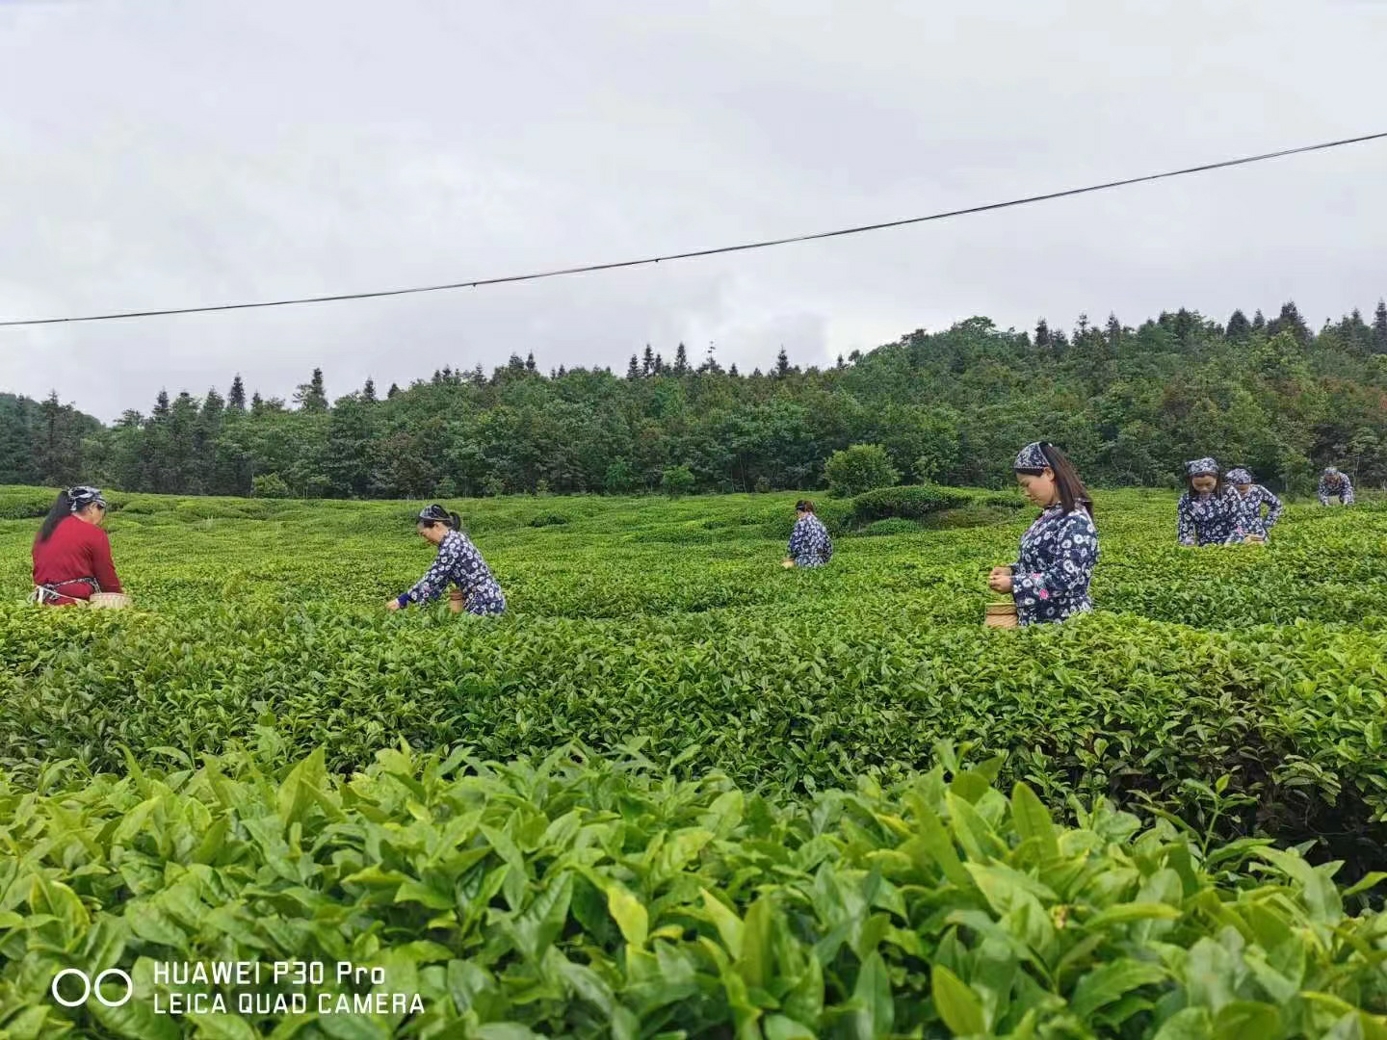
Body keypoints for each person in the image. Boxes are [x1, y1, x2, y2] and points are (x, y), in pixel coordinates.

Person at [987, 441, 1098, 626]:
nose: (1026, 493)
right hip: (1039, 624)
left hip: (1065, 628)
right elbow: (1042, 567)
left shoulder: (1075, 521)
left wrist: (1014, 584)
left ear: (1048, 473)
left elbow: (1063, 580)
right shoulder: (1050, 515)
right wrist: (1011, 571)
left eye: (1027, 484)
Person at [387, 504, 505, 615]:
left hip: (485, 601)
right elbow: (440, 582)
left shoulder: (452, 544)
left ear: (437, 525)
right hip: (485, 599)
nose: (426, 540)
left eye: (424, 534)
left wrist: (402, 601)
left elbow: (433, 578)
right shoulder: (453, 539)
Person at [31, 485, 124, 606]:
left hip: (41, 602)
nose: (102, 519)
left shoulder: (45, 531)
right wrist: (120, 600)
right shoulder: (93, 533)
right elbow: (107, 579)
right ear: (92, 507)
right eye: (102, 512)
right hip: (74, 604)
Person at [1177, 458, 1242, 546]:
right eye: (1198, 485)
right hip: (1203, 547)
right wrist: (1189, 548)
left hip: (1230, 545)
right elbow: (1185, 529)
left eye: (1208, 484)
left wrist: (1228, 547)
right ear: (1191, 482)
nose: (1204, 488)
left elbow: (1238, 525)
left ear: (1217, 479)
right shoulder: (1186, 499)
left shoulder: (1229, 493)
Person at [1225, 468, 1282, 543]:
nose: (1239, 493)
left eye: (1243, 489)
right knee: (1235, 550)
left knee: (1258, 551)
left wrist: (1269, 523)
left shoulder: (1258, 490)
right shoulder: (1226, 492)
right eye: (1237, 489)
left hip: (1256, 530)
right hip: (1235, 530)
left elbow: (1277, 504)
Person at [784, 500, 833, 568]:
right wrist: (823, 560)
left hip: (802, 562)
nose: (797, 516)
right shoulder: (820, 525)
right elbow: (828, 547)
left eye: (797, 513)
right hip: (818, 563)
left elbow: (793, 546)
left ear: (799, 511)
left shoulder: (801, 523)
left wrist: (789, 559)